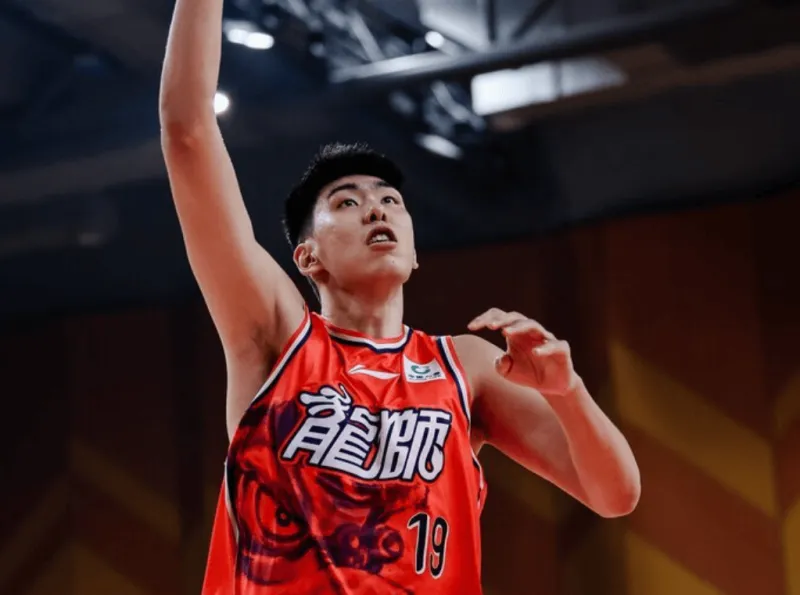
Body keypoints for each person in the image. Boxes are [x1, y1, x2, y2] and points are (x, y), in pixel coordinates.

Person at [159, 0, 641, 592]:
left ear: (413, 254)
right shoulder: (279, 335)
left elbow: (614, 494)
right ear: (308, 257)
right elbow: (186, 133)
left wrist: (569, 393)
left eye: (390, 201)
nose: (376, 209)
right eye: (347, 202)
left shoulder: (467, 365)